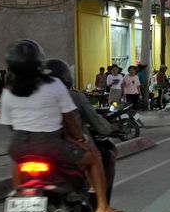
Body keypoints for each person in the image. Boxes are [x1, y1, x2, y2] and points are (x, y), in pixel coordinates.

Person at [0, 40, 124, 212]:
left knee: (17, 159)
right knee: (94, 157)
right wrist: (80, 140)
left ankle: (18, 193)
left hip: (19, 144)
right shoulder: (53, 85)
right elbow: (70, 118)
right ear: (39, 61)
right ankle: (103, 207)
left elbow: (10, 124)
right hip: (51, 144)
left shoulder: (9, 90)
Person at [46, 59, 117, 201]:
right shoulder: (72, 96)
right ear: (66, 78)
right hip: (68, 145)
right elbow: (93, 120)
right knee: (104, 155)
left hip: (36, 146)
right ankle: (101, 202)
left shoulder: (33, 95)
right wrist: (109, 128)